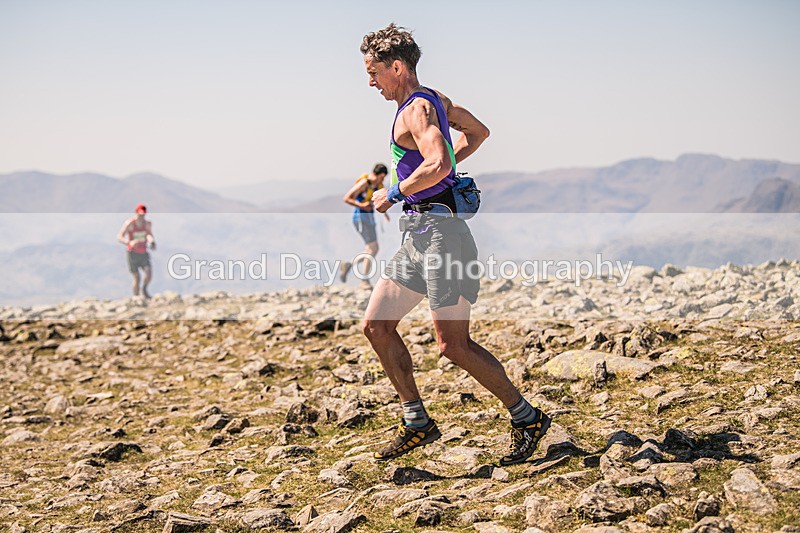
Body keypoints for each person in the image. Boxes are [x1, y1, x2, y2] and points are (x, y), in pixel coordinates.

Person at [359, 23, 551, 466]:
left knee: (453, 346)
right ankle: (417, 421)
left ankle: (526, 417)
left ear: (397, 66)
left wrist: (397, 190)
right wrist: (431, 179)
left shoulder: (417, 109)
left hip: (443, 238)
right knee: (376, 326)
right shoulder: (437, 100)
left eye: (373, 72)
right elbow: (479, 132)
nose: (369, 81)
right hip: (418, 237)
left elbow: (440, 160)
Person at [340, 164, 391, 290]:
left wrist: (384, 214)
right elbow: (347, 198)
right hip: (360, 218)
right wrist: (361, 205)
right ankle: (364, 280)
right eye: (382, 177)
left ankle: (349, 264)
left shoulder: (378, 187)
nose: (382, 180)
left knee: (372, 249)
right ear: (378, 175)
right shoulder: (364, 183)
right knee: (372, 248)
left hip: (369, 218)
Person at [117, 203, 156, 299]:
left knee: (148, 272)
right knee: (136, 277)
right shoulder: (130, 224)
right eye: (140, 214)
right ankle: (136, 296)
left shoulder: (147, 224)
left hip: (143, 252)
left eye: (143, 214)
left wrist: (151, 241)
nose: (142, 216)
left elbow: (149, 234)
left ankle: (144, 289)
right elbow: (119, 236)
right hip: (132, 253)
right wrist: (129, 242)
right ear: (136, 213)